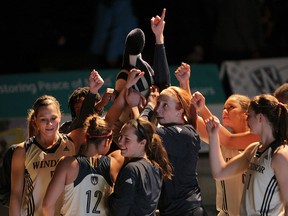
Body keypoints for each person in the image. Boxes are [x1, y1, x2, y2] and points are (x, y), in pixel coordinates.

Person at [206, 94, 288, 215]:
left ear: (260, 118)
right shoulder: (253, 149)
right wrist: (213, 136)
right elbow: (219, 172)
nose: (246, 119)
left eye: (249, 115)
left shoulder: (280, 155)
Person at [9, 95, 86, 216]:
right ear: (35, 120)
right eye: (43, 119)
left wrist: (93, 91)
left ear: (60, 116)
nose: (49, 123)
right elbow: (15, 195)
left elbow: (104, 122)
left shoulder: (72, 142)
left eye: (53, 118)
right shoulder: (22, 150)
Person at [141, 84, 208, 215]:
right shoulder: (175, 131)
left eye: (165, 105)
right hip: (173, 210)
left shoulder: (181, 133)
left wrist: (149, 105)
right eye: (158, 104)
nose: (158, 110)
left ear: (180, 110)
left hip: (187, 211)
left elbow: (139, 129)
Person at [42, 114, 124, 216]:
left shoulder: (67, 164)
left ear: (86, 138)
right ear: (107, 142)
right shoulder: (114, 162)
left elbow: (47, 205)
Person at [108, 117, 173, 215]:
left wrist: (109, 196)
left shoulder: (131, 169)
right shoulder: (156, 168)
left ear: (142, 143)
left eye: (127, 139)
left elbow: (119, 209)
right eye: (120, 136)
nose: (120, 142)